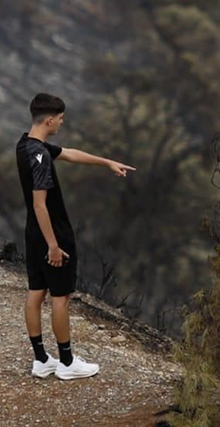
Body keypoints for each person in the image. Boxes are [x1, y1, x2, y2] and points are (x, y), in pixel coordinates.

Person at [16, 92, 134, 380]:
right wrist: (54, 246)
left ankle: (41, 359)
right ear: (49, 119)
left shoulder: (26, 145)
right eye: (60, 120)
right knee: (60, 297)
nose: (61, 124)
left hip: (33, 232)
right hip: (52, 234)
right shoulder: (41, 157)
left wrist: (106, 162)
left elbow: (68, 153)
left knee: (35, 293)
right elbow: (40, 203)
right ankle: (67, 363)